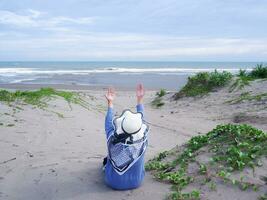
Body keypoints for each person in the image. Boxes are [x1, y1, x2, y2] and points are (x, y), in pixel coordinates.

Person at [103, 83, 149, 190]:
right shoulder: (143, 138)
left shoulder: (112, 137)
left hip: (112, 183)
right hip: (137, 182)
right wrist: (140, 99)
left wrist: (110, 102)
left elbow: (108, 122)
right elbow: (142, 118)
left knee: (107, 160)